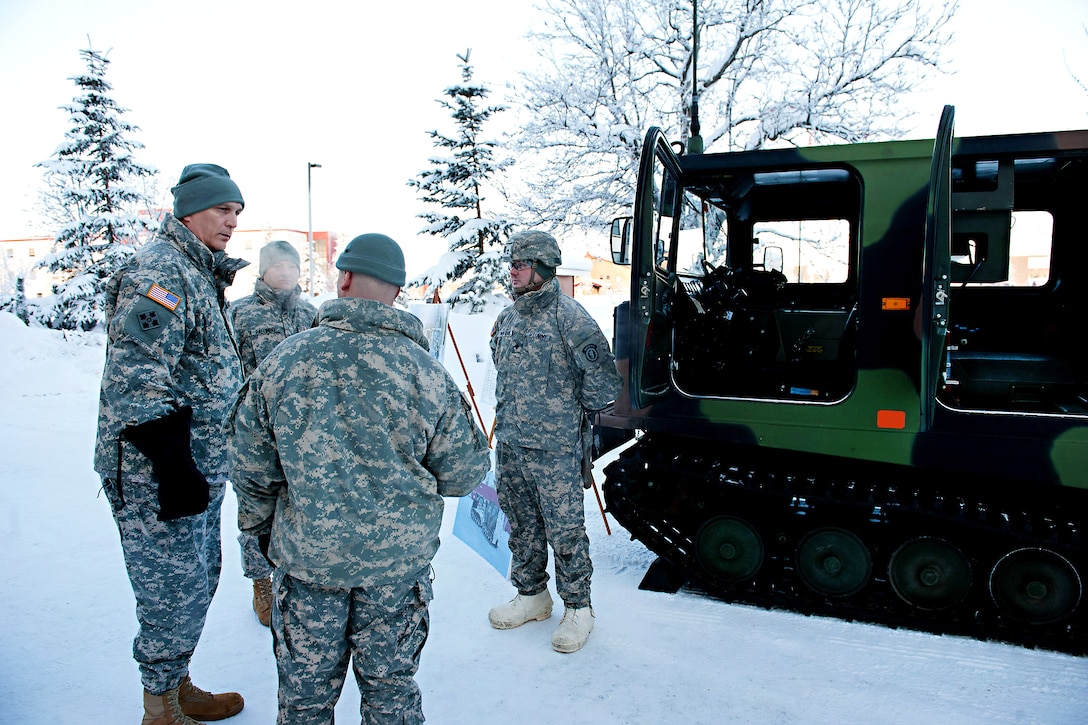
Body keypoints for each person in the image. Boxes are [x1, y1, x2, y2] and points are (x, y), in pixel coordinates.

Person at [230, 233, 490, 724]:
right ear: (397, 290)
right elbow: (465, 473)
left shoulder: (285, 362)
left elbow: (249, 469)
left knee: (305, 701)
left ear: (343, 278)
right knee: (391, 693)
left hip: (308, 566)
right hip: (395, 573)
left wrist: (266, 532)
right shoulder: (425, 372)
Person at [94, 164, 248, 725]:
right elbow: (135, 378)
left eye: (236, 212)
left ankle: (175, 684)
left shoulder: (198, 272)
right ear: (188, 210)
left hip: (195, 467)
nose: (231, 222)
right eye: (221, 210)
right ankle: (159, 706)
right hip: (157, 471)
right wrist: (174, 467)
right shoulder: (161, 273)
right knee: (169, 593)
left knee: (195, 582)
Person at [487, 230, 622, 653]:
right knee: (522, 526)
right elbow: (499, 366)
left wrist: (565, 417)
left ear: (543, 270)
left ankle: (579, 608)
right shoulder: (507, 319)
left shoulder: (571, 317)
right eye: (512, 262)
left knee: (565, 531)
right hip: (511, 447)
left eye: (521, 263)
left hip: (555, 452)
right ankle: (532, 596)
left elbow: (603, 386)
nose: (513, 270)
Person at [228, 240, 317, 627]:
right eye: (277, 265)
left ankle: (293, 576)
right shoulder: (239, 314)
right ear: (262, 271)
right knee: (256, 507)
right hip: (255, 432)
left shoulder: (312, 315)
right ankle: (260, 582)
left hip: (303, 432)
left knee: (300, 502)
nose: (284, 272)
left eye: (291, 266)